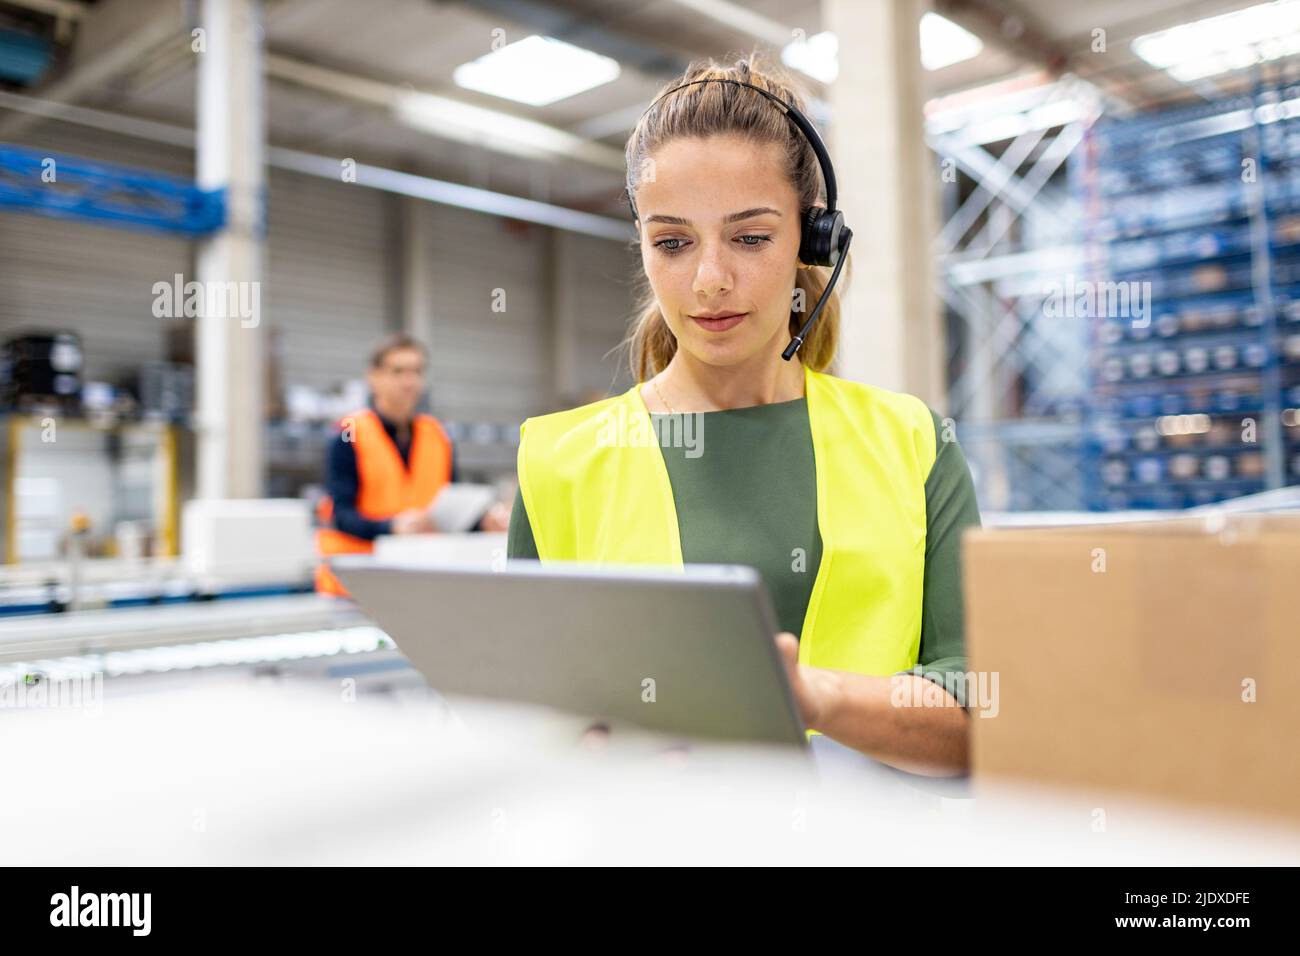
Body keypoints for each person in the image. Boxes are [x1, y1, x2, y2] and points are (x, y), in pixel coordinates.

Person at [505, 56, 982, 776]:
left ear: (809, 240)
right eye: (672, 242)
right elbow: (522, 713)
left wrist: (810, 698)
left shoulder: (912, 442)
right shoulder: (558, 461)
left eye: (751, 237)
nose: (709, 280)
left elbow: (979, 716)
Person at [315, 333, 509, 596]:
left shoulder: (437, 436)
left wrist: (481, 521)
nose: (409, 381)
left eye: (417, 371)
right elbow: (341, 515)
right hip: (357, 585)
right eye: (398, 371)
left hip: (417, 580)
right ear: (373, 378)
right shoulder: (349, 434)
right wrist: (391, 527)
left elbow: (448, 510)